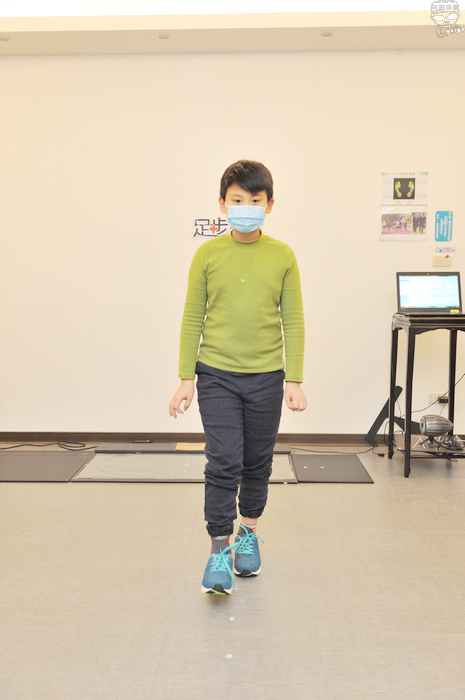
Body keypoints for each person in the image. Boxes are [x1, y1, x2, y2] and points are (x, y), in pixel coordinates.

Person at [169, 160, 306, 595]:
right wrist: (185, 377)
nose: (246, 206)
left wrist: (294, 379)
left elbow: (293, 319)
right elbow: (193, 317)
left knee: (257, 463)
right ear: (222, 203)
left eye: (255, 200)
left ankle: (248, 535)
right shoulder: (207, 254)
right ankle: (218, 551)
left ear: (269, 205)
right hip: (216, 376)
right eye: (237, 199)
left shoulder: (283, 255)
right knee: (224, 461)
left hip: (267, 377)